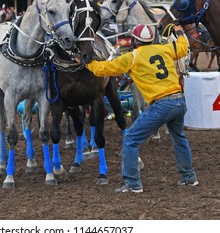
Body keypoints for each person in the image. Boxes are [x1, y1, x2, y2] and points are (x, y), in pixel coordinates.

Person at [75, 24, 198, 193]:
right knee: (179, 138)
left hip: (162, 104)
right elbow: (183, 47)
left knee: (131, 139)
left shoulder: (132, 57)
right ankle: (189, 178)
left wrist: (85, 63)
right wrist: (180, 32)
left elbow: (104, 69)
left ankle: (133, 184)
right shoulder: (166, 49)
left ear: (134, 40)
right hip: (179, 101)